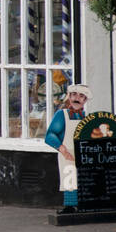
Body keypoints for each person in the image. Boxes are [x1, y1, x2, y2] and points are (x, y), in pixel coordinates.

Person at [45, 83, 90, 214]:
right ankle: (70, 206)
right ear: (69, 97)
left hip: (83, 153)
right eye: (74, 95)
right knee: (69, 178)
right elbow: (51, 135)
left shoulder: (87, 116)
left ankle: (84, 204)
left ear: (85, 100)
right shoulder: (62, 114)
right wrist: (62, 149)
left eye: (81, 96)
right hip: (68, 153)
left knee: (84, 178)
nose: (77, 98)